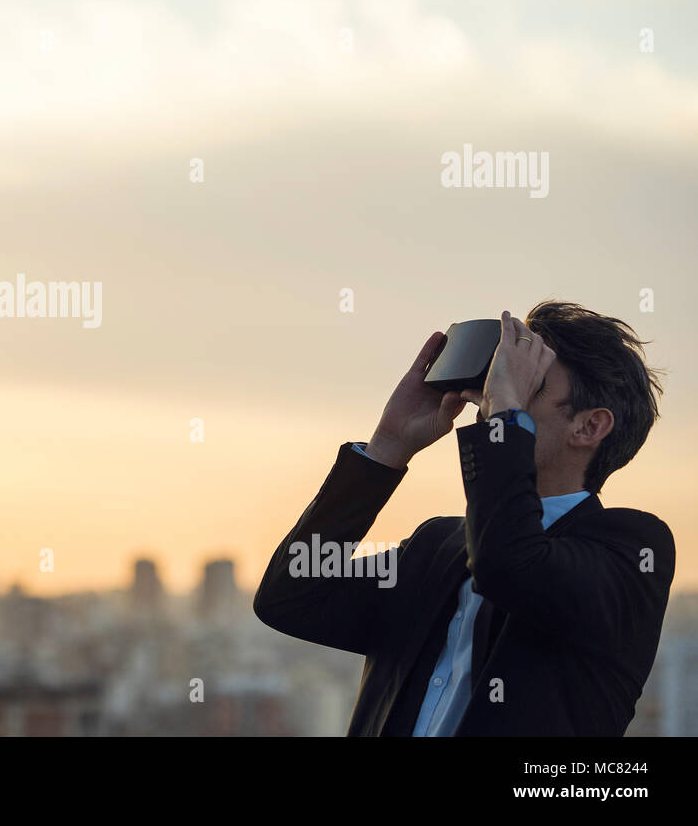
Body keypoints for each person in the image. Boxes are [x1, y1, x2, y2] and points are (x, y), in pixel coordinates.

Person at [253, 302, 674, 735]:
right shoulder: (437, 547)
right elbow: (291, 598)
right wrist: (387, 447)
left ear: (588, 427)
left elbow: (508, 565)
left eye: (527, 381)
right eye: (501, 375)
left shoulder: (632, 550)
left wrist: (503, 416)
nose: (495, 392)